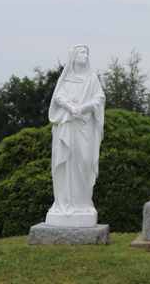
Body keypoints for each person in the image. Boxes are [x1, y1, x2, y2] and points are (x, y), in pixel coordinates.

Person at [46, 45, 105, 226]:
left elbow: (99, 98)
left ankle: (83, 203)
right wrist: (72, 108)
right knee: (66, 163)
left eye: (87, 53)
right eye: (81, 52)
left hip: (84, 126)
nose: (85, 56)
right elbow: (58, 97)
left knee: (84, 162)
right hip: (67, 124)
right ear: (73, 56)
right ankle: (64, 202)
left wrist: (83, 108)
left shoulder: (92, 79)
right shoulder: (66, 79)